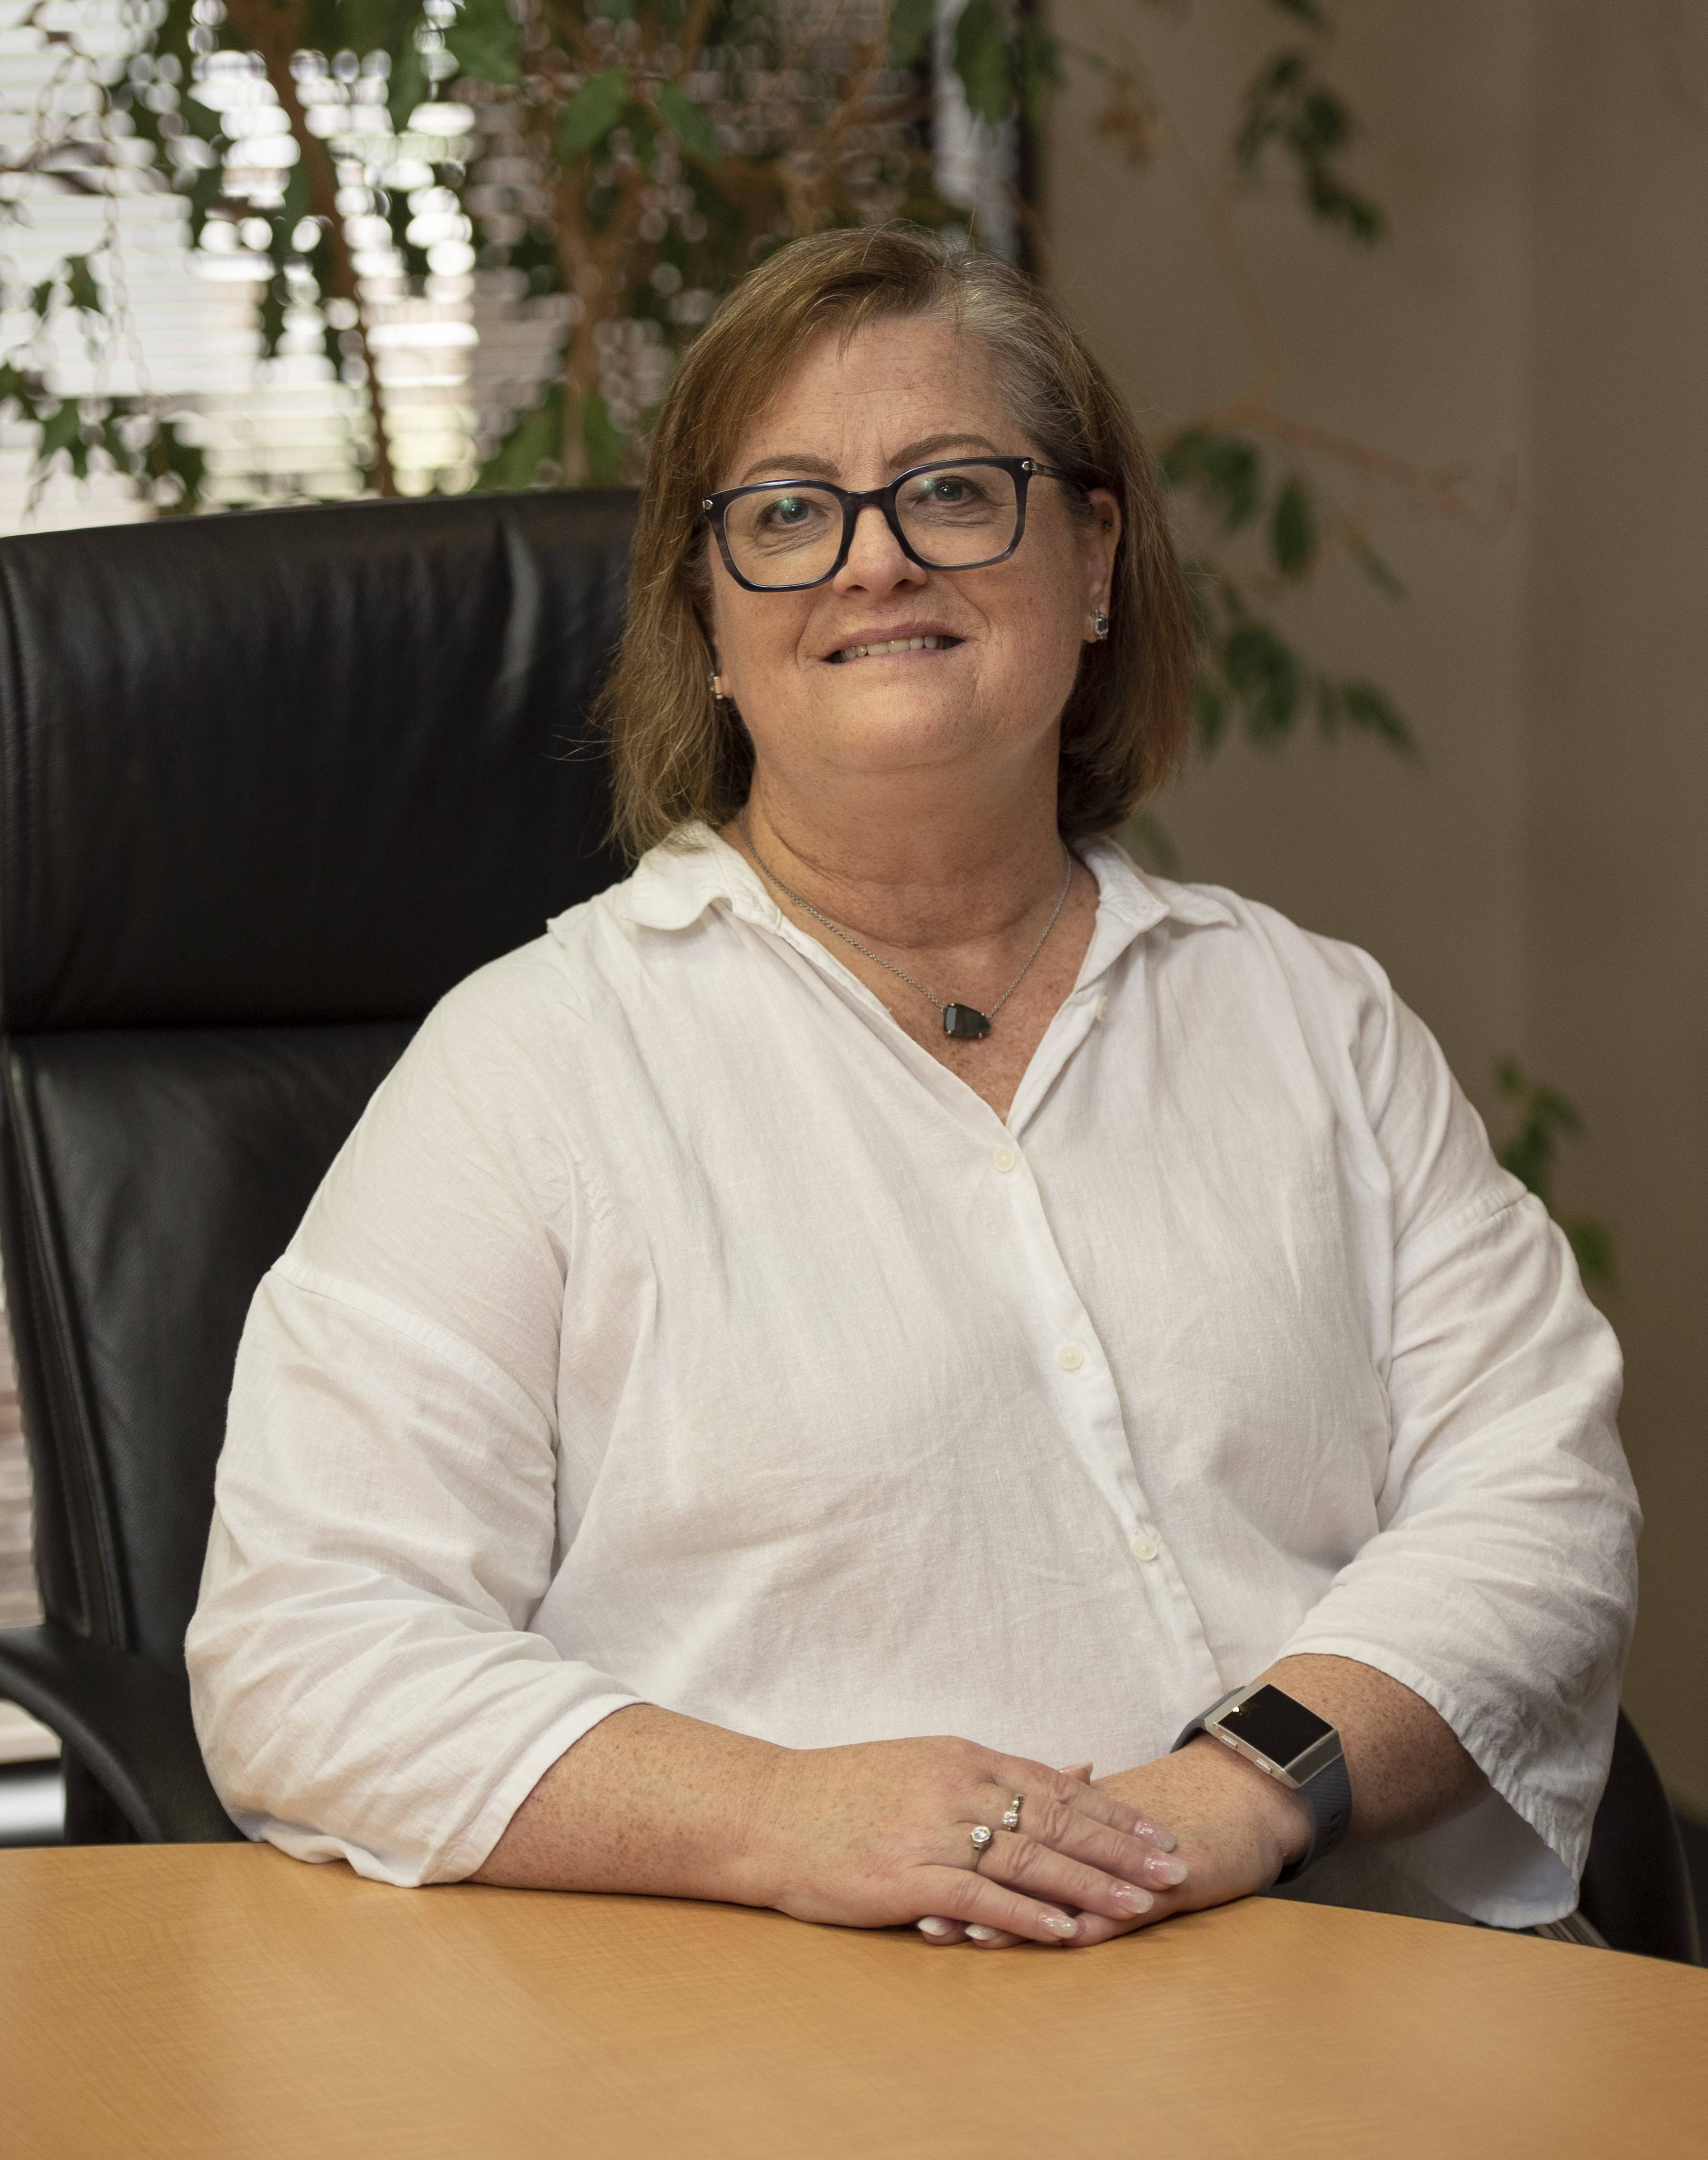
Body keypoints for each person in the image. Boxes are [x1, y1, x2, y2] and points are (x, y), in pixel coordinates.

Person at [187, 226, 1637, 1950]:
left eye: (954, 491)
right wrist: (781, 1816)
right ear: (708, 620)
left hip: (1343, 1980)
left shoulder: (1310, 1018)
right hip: (804, 2036)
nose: (874, 563)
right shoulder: (534, 1069)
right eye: (788, 514)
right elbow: (310, 1651)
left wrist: (1246, 1788)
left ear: (1095, 560)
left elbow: (1535, 1494)